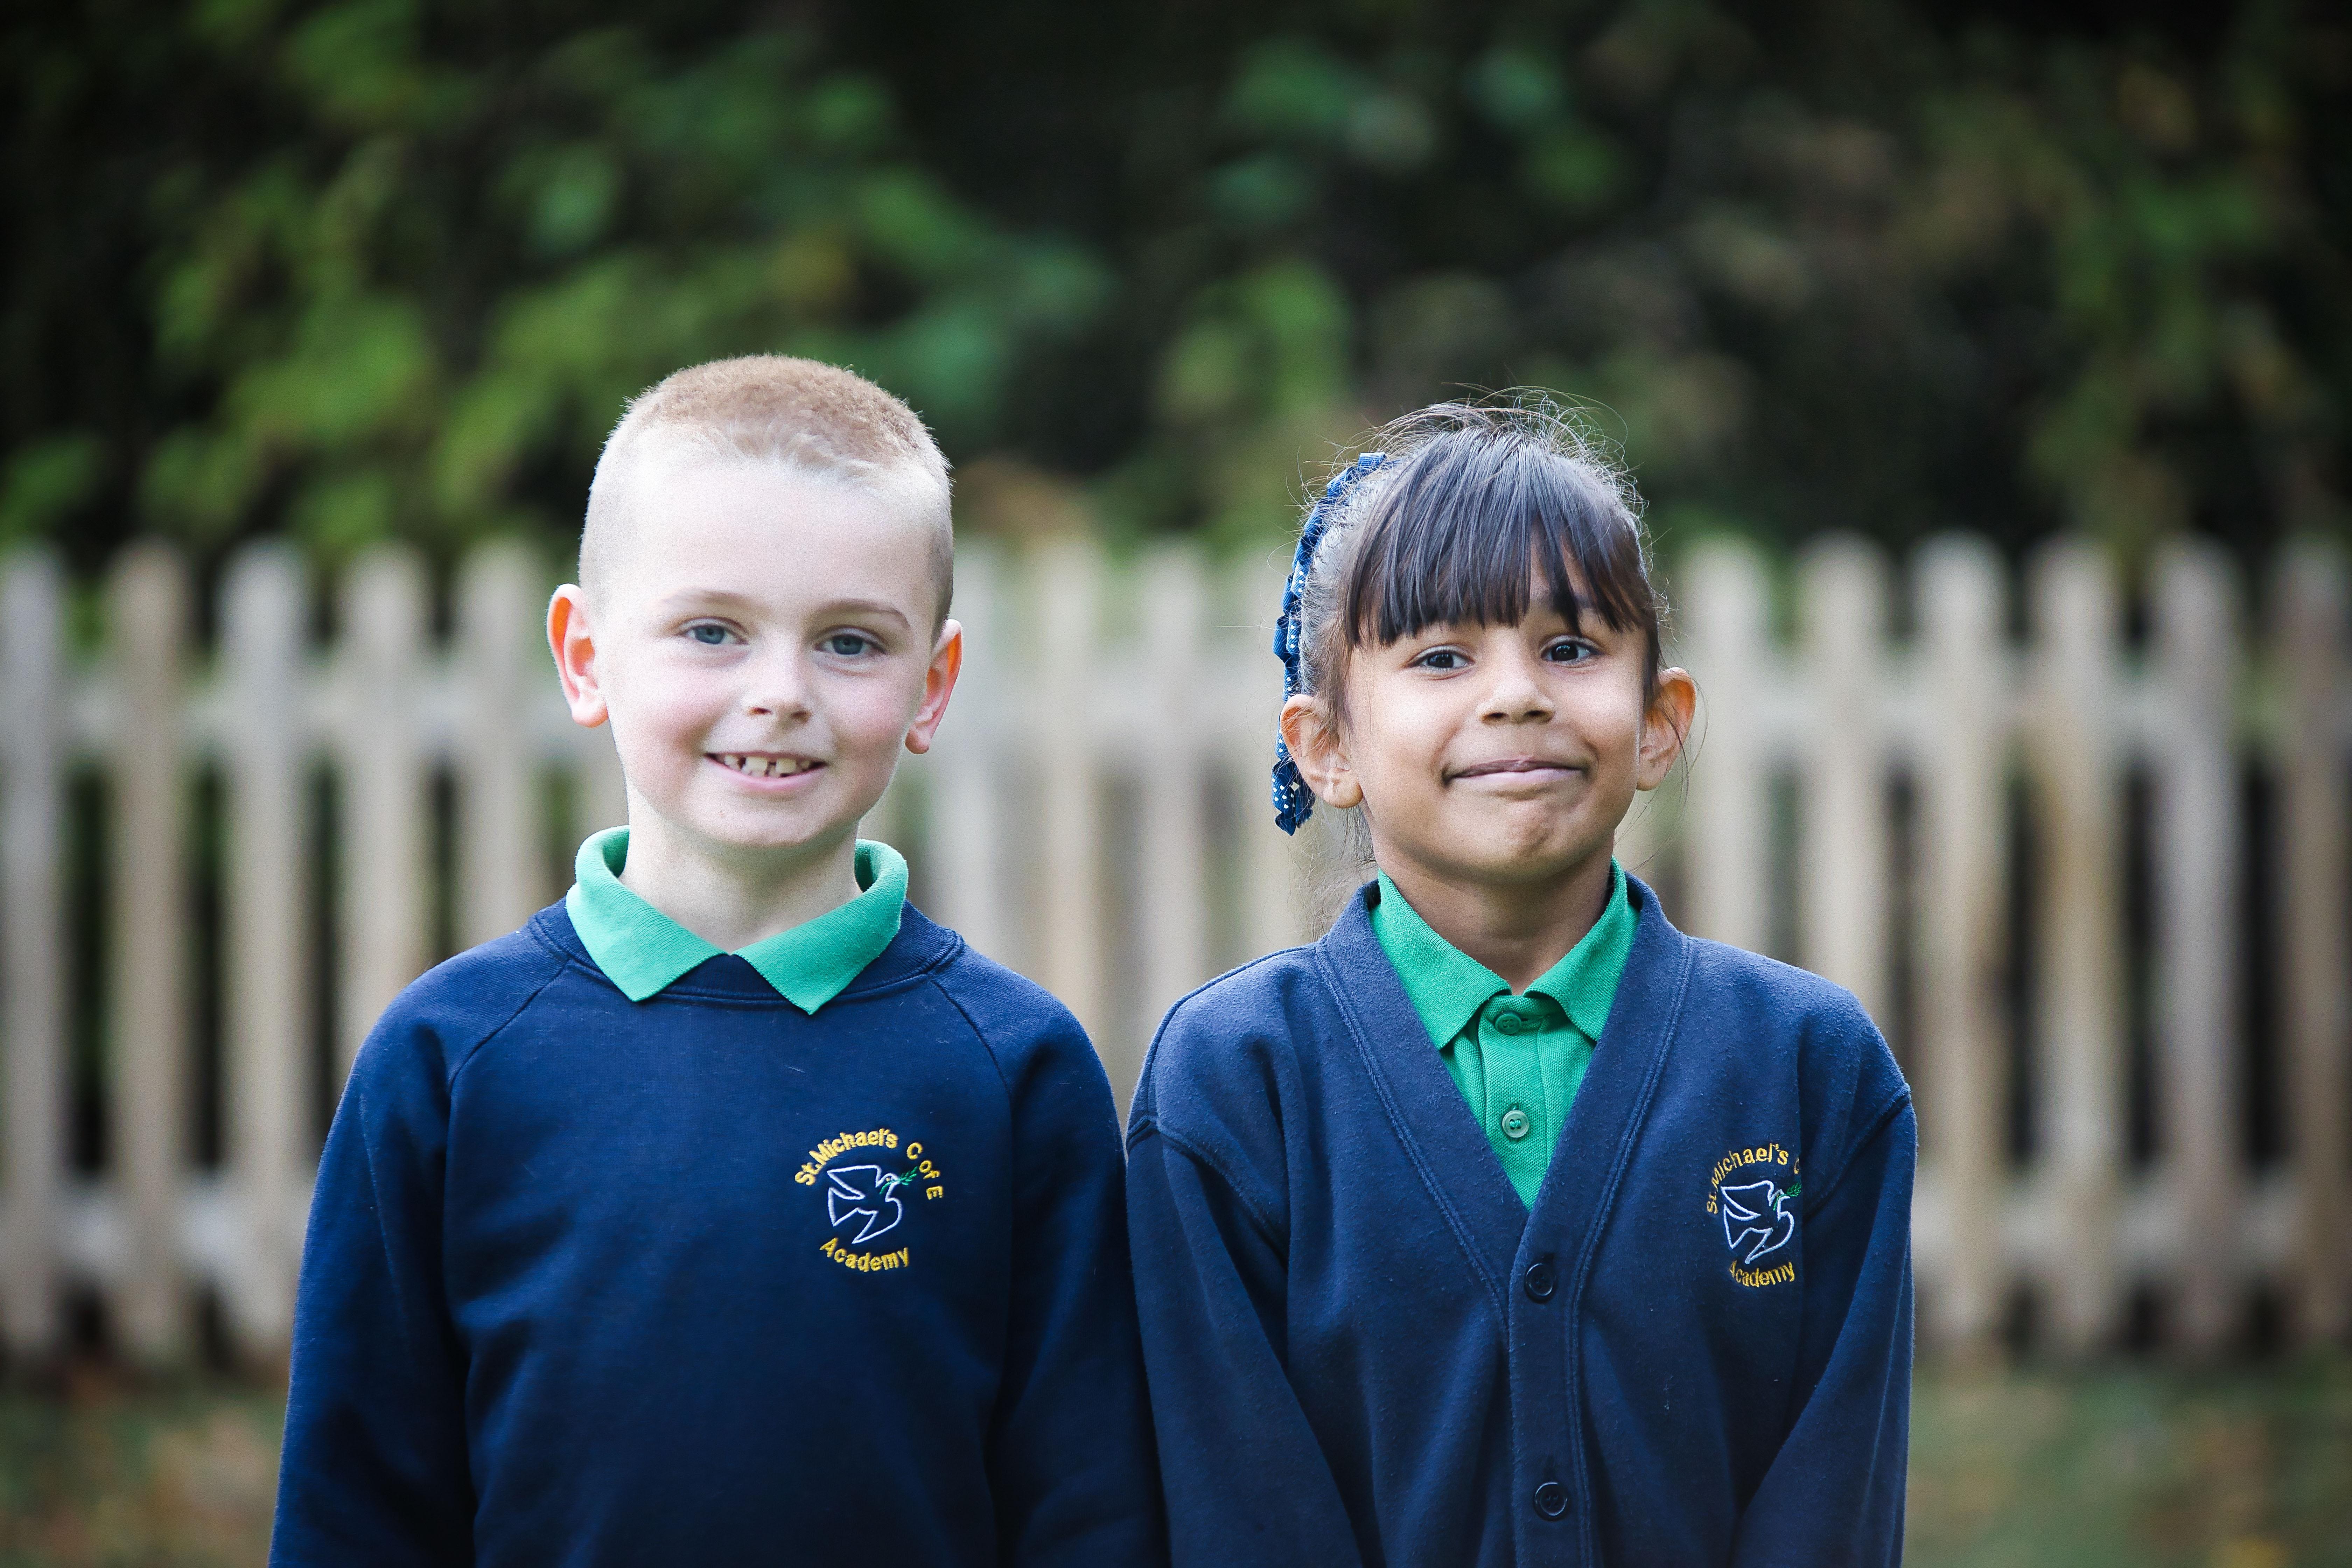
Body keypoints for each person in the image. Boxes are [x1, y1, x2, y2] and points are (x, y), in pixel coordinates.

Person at [271, 356, 1164, 1567]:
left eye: (849, 642)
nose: (781, 694)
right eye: (711, 632)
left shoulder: (1014, 1069)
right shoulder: (448, 1059)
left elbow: (1087, 1507)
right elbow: (355, 1504)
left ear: (933, 685)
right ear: (585, 656)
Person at [1125, 400, 1914, 1567]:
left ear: (1658, 722)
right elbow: (1242, 1508)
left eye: (1571, 649)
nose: (1515, 695)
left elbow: (1832, 1504)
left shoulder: (1812, 1069)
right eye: (1441, 657)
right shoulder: (1235, 1084)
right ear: (1326, 747)